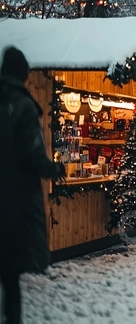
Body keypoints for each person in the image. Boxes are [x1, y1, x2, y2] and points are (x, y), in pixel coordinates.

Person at [0, 47, 66, 324]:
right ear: (23, 73)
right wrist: (54, 169)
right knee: (10, 268)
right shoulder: (22, 106)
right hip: (14, 196)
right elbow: (33, 153)